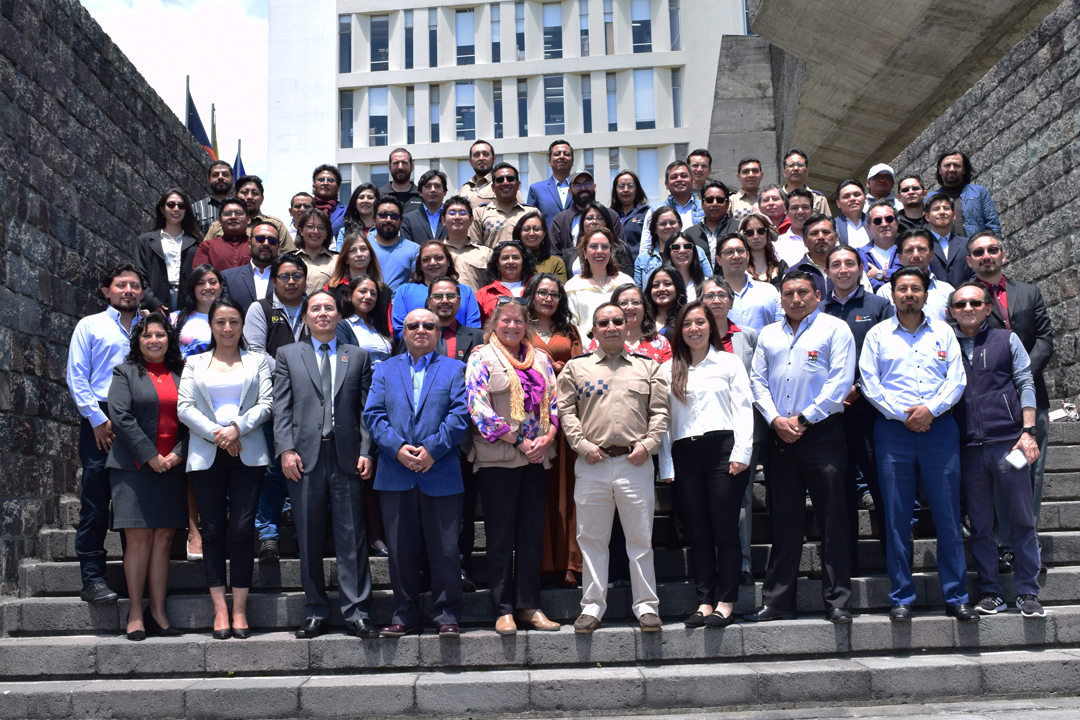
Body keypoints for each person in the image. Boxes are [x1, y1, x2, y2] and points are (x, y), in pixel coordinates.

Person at [859, 266, 976, 623]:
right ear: (891, 294)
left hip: (939, 430)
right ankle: (901, 596)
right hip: (893, 432)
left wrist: (930, 410)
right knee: (895, 516)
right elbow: (869, 382)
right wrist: (903, 415)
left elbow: (956, 380)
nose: (909, 294)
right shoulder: (878, 335)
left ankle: (956, 595)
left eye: (916, 289)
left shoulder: (944, 332)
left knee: (948, 516)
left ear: (926, 293)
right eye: (902, 289)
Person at [747, 271, 856, 624]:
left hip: (823, 435)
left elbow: (840, 380)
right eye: (789, 293)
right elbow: (758, 382)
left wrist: (806, 419)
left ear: (817, 294)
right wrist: (776, 420)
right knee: (784, 520)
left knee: (833, 519)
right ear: (781, 298)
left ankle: (837, 600)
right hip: (781, 438)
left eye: (803, 292)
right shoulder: (768, 334)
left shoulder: (834, 328)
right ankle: (779, 600)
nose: (796, 299)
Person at [556, 302, 670, 634]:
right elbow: (566, 412)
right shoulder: (578, 369)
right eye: (603, 321)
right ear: (594, 328)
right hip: (594, 462)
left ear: (627, 326)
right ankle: (592, 607)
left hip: (636, 463)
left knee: (640, 538)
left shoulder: (647, 367)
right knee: (591, 539)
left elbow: (660, 412)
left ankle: (647, 606)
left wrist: (648, 446)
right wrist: (582, 445)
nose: (611, 327)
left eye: (617, 321)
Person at [273, 290, 378, 639]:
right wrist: (286, 449)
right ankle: (316, 610)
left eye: (328, 308)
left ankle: (357, 611)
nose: (322, 313)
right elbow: (282, 408)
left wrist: (367, 450)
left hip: (346, 458)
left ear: (338, 316)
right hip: (303, 459)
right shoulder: (288, 354)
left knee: (352, 537)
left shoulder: (358, 357)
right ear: (305, 317)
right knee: (308, 536)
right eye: (315, 308)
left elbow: (366, 411)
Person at [364, 309, 471, 637]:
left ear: (438, 333)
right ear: (403, 333)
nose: (421, 330)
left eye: (429, 326)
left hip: (440, 471)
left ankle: (446, 614)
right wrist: (396, 449)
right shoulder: (384, 369)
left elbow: (461, 413)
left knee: (446, 550)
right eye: (414, 326)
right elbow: (373, 414)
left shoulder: (455, 369)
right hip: (395, 473)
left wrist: (432, 451)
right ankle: (406, 614)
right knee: (399, 550)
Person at [178, 297, 273, 639]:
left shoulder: (257, 361)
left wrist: (236, 429)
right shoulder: (195, 362)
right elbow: (184, 407)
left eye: (234, 321)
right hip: (207, 453)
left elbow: (267, 403)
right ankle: (220, 610)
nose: (228, 328)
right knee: (214, 531)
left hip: (247, 450)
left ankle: (240, 609)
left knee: (244, 529)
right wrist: (218, 434)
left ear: (242, 325)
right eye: (220, 322)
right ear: (212, 326)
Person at [465, 300, 562, 635]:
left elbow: (556, 403)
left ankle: (528, 605)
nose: (512, 326)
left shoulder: (541, 359)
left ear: (527, 325)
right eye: (505, 321)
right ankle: (503, 608)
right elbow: (478, 407)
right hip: (500, 459)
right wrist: (518, 442)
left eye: (518, 321)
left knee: (531, 535)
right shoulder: (481, 356)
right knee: (501, 536)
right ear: (495, 323)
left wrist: (548, 437)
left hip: (537, 458)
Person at [948, 282, 1044, 618]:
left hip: (1008, 441)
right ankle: (990, 589)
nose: (968, 308)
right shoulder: (944, 344)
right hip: (968, 446)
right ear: (951, 312)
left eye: (975, 302)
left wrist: (1028, 430)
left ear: (988, 308)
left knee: (1020, 518)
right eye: (960, 304)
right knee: (980, 524)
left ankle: (1028, 591)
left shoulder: (1005, 339)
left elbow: (1024, 381)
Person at [659, 301, 754, 628]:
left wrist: (742, 452)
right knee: (698, 532)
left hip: (723, 452)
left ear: (710, 327)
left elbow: (743, 408)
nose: (694, 329)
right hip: (685, 453)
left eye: (700, 322)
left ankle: (726, 602)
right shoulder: (668, 369)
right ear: (679, 330)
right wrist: (666, 465)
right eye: (687, 324)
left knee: (724, 530)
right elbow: (664, 422)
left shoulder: (728, 362)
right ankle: (704, 601)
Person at [965, 232, 1054, 574]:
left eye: (992, 250)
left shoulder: (1028, 292)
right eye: (978, 252)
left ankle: (1027, 547)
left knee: (1029, 472)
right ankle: (1004, 547)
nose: (986, 256)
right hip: (988, 408)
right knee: (1002, 475)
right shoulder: (967, 300)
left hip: (1031, 401)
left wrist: (1019, 376)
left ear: (1003, 254)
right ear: (970, 261)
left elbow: (1045, 338)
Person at [66, 264, 146, 606]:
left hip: (141, 417)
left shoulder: (151, 326)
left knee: (136, 502)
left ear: (142, 291)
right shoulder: (91, 325)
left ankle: (136, 580)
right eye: (121, 285)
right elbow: (76, 375)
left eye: (135, 285)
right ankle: (93, 578)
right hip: (101, 418)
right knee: (96, 501)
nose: (128, 290)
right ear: (107, 290)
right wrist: (97, 420)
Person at [106, 314, 187, 640]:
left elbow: (195, 416)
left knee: (163, 539)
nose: (154, 340)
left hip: (172, 467)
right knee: (138, 540)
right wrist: (150, 456)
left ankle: (158, 612)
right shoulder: (124, 373)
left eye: (160, 334)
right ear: (137, 341)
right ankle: (136, 613)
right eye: (147, 335)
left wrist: (178, 452)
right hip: (133, 468)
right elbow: (121, 417)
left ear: (169, 339)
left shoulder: (182, 375)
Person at [821, 245, 895, 572]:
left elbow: (890, 357)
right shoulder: (816, 311)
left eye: (849, 263)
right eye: (836, 264)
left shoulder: (879, 306)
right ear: (827, 272)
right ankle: (845, 568)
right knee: (838, 493)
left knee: (883, 489)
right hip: (831, 417)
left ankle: (894, 561)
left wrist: (860, 390)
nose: (843, 269)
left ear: (860, 267)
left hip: (871, 414)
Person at [243, 255, 310, 561]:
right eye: (284, 276)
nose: (291, 281)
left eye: (297, 275)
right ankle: (268, 533)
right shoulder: (261, 308)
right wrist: (294, 369)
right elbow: (256, 352)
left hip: (311, 402)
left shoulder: (316, 306)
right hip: (273, 400)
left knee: (307, 466)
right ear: (274, 281)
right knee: (271, 469)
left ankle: (302, 532)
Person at [701, 276, 764, 586]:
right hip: (705, 431)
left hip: (741, 431)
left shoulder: (749, 337)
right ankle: (712, 562)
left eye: (721, 295)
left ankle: (742, 564)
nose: (715, 300)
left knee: (740, 500)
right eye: (709, 295)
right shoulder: (693, 337)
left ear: (731, 301)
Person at [425, 280, 486, 591]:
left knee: (462, 512)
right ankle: (427, 569)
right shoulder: (417, 332)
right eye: (439, 295)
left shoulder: (477, 337)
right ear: (429, 299)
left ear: (460, 300)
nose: (445, 300)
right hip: (424, 438)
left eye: (451, 295)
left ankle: (460, 567)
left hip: (464, 439)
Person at [524, 273, 584, 588]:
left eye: (554, 294)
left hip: (566, 418)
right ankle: (541, 562)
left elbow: (580, 369)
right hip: (532, 419)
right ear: (531, 295)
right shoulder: (521, 329)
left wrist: (562, 369)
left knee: (567, 490)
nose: (548, 298)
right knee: (538, 492)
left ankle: (569, 563)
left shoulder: (568, 331)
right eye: (542, 293)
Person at [391, 240, 480, 337]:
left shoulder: (466, 292)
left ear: (448, 261)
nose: (433, 263)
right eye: (426, 260)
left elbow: (473, 329)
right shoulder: (404, 292)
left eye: (439, 258)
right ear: (420, 265)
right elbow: (399, 330)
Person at [136, 188, 203, 313]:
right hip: (155, 303)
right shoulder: (145, 241)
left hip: (188, 305)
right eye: (171, 205)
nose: (176, 209)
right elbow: (140, 276)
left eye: (181, 205)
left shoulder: (197, 242)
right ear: (162, 209)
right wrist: (152, 303)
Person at [565, 228, 634, 338]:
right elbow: (571, 325)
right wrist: (591, 347)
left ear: (610, 252)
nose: (599, 251)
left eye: (605, 247)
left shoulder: (626, 282)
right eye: (593, 246)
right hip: (588, 349)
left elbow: (634, 319)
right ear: (584, 253)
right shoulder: (572, 286)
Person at [876, 230, 955, 321]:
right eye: (909, 250)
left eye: (921, 249)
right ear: (900, 258)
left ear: (931, 255)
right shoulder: (885, 292)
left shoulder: (947, 291)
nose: (916, 255)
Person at [585, 283, 672, 362]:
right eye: (623, 303)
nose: (630, 307)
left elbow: (666, 376)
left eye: (635, 302)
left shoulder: (660, 342)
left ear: (644, 307)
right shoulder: (598, 342)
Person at [202, 176, 293, 251]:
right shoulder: (218, 225)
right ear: (235, 196)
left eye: (255, 193)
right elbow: (205, 253)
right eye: (244, 192)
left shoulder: (276, 225)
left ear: (262, 199)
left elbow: (288, 258)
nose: (249, 197)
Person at [716, 234, 782, 333]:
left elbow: (781, 328)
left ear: (748, 255)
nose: (736, 256)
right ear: (719, 260)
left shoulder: (769, 291)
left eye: (740, 251)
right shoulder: (711, 296)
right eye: (729, 252)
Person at [550, 169, 627, 255]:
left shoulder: (611, 215)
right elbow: (555, 253)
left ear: (595, 187)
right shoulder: (560, 220)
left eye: (587, 183)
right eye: (577, 185)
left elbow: (621, 249)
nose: (583, 188)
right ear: (570, 192)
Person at [635, 206, 709, 288]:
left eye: (672, 222)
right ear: (655, 229)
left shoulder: (697, 251)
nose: (668, 226)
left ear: (680, 225)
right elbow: (639, 293)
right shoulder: (643, 258)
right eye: (663, 223)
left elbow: (709, 283)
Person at [934, 149, 1002, 237]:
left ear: (964, 169)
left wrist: (993, 247)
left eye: (957, 165)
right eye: (947, 165)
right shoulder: (930, 199)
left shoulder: (979, 192)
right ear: (939, 170)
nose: (952, 169)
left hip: (976, 249)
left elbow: (993, 224)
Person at [640, 161, 705, 250]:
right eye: (674, 177)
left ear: (692, 181)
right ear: (666, 184)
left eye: (684, 176)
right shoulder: (654, 211)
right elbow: (646, 246)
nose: (679, 179)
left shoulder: (704, 208)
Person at [468, 163, 535, 248]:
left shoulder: (531, 213)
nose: (505, 183)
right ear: (493, 187)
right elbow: (474, 248)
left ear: (518, 185)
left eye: (510, 179)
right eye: (500, 180)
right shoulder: (479, 213)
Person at [562, 201, 634, 277]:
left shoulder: (620, 249)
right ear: (582, 222)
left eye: (600, 218)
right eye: (589, 218)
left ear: (607, 222)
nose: (594, 222)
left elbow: (628, 282)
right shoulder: (569, 254)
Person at [222, 222, 280, 314]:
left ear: (278, 246)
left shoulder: (288, 278)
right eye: (260, 239)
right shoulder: (228, 277)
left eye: (272, 241)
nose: (266, 243)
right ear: (249, 243)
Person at [476, 239, 536, 325]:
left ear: (523, 263)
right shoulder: (483, 294)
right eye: (505, 258)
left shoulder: (537, 288)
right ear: (497, 264)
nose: (510, 261)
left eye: (515, 257)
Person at [337, 274, 394, 363]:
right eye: (362, 291)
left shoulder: (379, 326)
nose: (368, 296)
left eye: (373, 293)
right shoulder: (342, 326)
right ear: (349, 296)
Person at [171, 265, 225, 359]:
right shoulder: (175, 318)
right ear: (193, 288)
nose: (208, 287)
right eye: (200, 283)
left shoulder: (232, 318)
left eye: (212, 282)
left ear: (221, 287)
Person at [441, 195, 493, 291]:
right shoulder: (437, 252)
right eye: (452, 213)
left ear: (471, 220)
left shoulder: (486, 252)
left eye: (462, 213)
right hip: (444, 304)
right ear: (443, 220)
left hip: (477, 305)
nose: (457, 217)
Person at [370, 196, 421, 291]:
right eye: (383, 215)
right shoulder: (363, 246)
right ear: (374, 220)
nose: (388, 219)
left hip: (400, 303)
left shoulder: (414, 249)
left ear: (401, 222)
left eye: (394, 216)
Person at [193, 197, 256, 272]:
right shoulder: (206, 247)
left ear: (248, 219)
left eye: (239, 213)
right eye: (227, 214)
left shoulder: (258, 246)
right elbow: (200, 278)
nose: (233, 217)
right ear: (219, 221)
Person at [924, 193, 974, 287]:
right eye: (936, 209)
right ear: (927, 217)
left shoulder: (967, 244)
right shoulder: (922, 245)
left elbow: (975, 272)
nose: (942, 212)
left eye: (946, 208)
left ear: (954, 215)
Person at [683, 181, 738, 265]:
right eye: (709, 200)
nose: (715, 203)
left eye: (720, 200)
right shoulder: (689, 234)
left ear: (727, 204)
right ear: (702, 204)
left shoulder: (739, 228)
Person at [527, 140, 575, 227]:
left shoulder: (581, 188)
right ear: (549, 161)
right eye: (557, 154)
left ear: (572, 161)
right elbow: (531, 222)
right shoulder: (536, 189)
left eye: (566, 154)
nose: (562, 156)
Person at [858, 201, 903, 291]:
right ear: (868, 227)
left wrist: (881, 274)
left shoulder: (911, 250)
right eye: (877, 221)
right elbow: (863, 283)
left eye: (889, 219)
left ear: (897, 223)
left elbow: (918, 273)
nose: (884, 224)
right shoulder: (859, 255)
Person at [294, 209, 339, 295]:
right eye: (310, 226)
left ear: (326, 234)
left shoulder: (337, 261)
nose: (315, 231)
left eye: (321, 228)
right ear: (301, 231)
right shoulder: (290, 259)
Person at [515, 210, 567, 284]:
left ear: (544, 234)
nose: (531, 233)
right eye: (526, 229)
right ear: (519, 233)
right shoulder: (511, 262)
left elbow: (559, 292)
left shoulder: (556, 263)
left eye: (536, 229)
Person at [400, 169, 449, 242]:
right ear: (420, 192)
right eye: (428, 186)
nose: (433, 190)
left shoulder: (453, 217)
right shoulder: (408, 219)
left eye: (437, 186)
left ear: (445, 192)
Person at [610, 170, 650, 258]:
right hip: (613, 267)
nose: (626, 190)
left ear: (637, 189)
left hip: (638, 267)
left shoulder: (647, 213)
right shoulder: (609, 215)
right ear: (615, 190)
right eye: (621, 186)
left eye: (630, 186)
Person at [780, 149, 831, 216]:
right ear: (784, 172)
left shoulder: (818, 199)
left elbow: (828, 224)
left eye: (800, 165)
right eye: (791, 165)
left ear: (807, 171)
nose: (795, 168)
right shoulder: (776, 198)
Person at [738, 213, 785, 284]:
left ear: (769, 234)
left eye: (761, 231)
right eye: (749, 233)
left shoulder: (782, 267)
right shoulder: (738, 270)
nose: (756, 236)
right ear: (744, 237)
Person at [333, 183, 380, 252]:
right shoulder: (344, 231)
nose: (365, 201)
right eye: (361, 197)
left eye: (370, 197)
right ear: (355, 204)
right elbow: (340, 257)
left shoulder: (385, 229)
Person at [775, 188, 815, 268]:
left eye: (805, 207)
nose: (800, 211)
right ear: (787, 212)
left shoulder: (824, 239)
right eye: (794, 208)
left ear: (812, 211)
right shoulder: (777, 245)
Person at [192, 160, 234, 235]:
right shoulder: (196, 208)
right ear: (209, 179)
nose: (220, 177)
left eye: (225, 174)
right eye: (215, 175)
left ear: (233, 179)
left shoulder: (243, 207)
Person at [662, 231, 707, 301]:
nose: (682, 251)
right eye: (675, 247)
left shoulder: (706, 284)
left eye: (687, 246)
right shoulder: (661, 286)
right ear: (668, 252)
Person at [379, 148, 422, 215]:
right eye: (396, 163)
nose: (400, 167)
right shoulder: (379, 195)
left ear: (412, 167)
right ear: (389, 167)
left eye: (404, 163)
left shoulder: (422, 195)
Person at [311, 164, 348, 237]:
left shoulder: (347, 211)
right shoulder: (305, 209)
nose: (325, 183)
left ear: (338, 188)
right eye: (321, 180)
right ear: (314, 186)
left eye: (330, 180)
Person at [834, 179, 870, 248]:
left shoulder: (876, 223)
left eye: (857, 195)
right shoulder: (832, 227)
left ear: (865, 199)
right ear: (838, 203)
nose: (852, 199)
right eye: (846, 196)